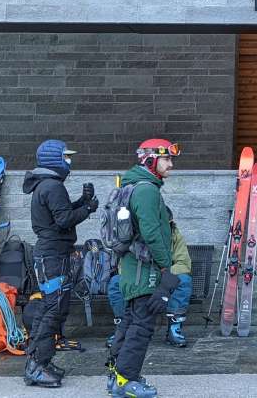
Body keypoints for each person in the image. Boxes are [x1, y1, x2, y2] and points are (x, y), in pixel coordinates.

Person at [107, 138, 182, 398]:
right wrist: (166, 268)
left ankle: (116, 375)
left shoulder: (131, 186)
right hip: (145, 270)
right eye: (167, 159)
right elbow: (151, 233)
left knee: (128, 323)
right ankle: (126, 381)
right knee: (141, 327)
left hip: (131, 269)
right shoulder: (147, 190)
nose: (171, 164)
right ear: (150, 160)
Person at [22, 139, 97, 388]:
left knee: (51, 309)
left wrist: (81, 202)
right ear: (55, 159)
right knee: (53, 311)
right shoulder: (52, 186)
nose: (69, 161)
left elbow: (59, 214)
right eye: (66, 157)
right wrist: (87, 208)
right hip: (53, 257)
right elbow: (64, 220)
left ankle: (40, 360)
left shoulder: (45, 185)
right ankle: (37, 366)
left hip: (52, 255)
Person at [106, 217, 193, 348]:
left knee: (184, 280)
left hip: (164, 277)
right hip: (139, 277)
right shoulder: (133, 234)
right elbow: (122, 267)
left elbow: (184, 264)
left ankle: (174, 328)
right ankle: (122, 329)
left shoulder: (174, 234)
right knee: (115, 282)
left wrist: (162, 274)